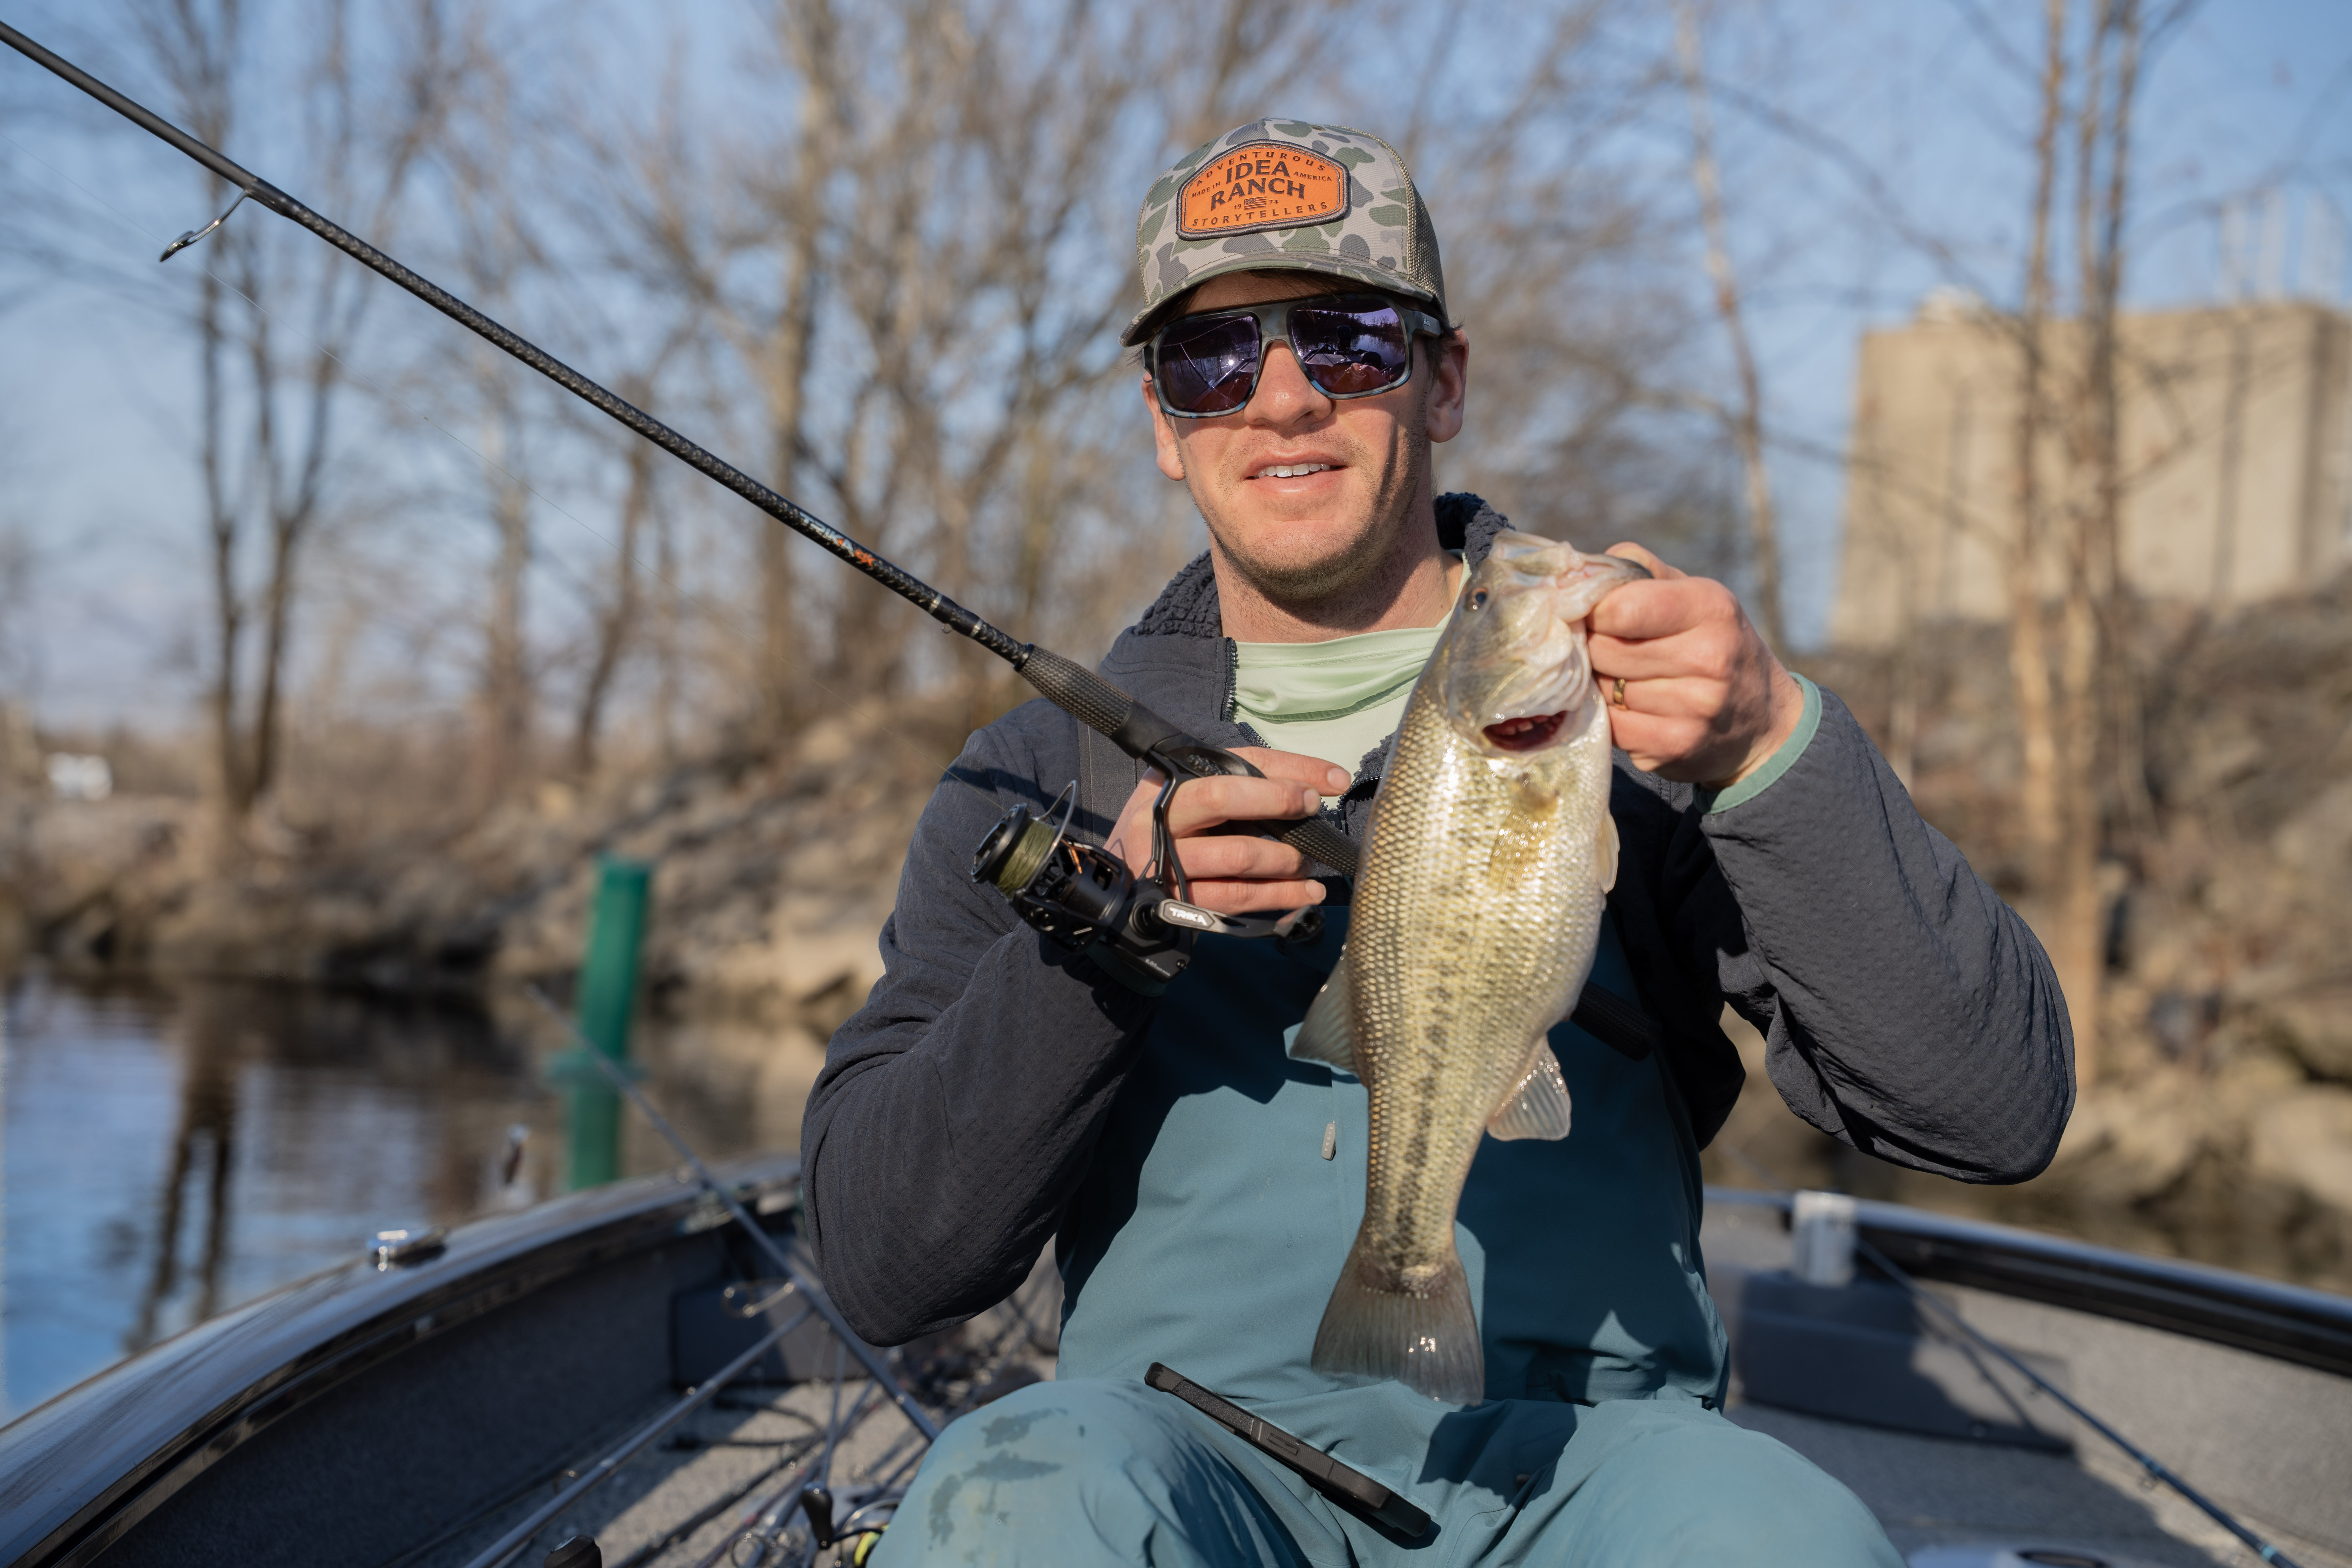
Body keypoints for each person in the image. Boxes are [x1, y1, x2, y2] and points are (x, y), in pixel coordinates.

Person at [803, 119, 2072, 1566]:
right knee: (1011, 1504)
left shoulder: (1651, 719)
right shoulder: (1041, 773)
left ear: (1444, 379)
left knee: (1787, 1539)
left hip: (1592, 1461)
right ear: (1162, 422)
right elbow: (883, 1262)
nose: (1279, 399)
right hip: (1174, 1453)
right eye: (1210, 361)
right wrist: (1103, 926)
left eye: (1345, 340)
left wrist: (1776, 749)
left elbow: (1991, 1115)